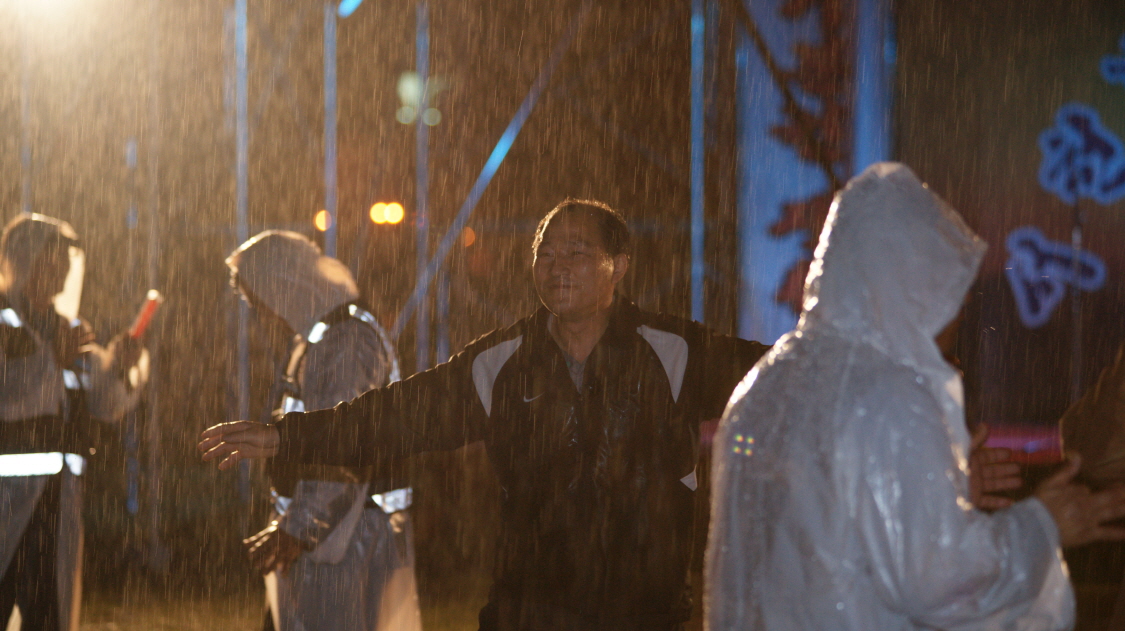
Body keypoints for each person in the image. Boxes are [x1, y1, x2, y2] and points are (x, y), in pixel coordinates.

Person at [200, 199, 772, 631]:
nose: (557, 266)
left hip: (644, 612)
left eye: (576, 252)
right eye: (546, 253)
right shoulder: (503, 362)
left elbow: (783, 376)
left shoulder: (673, 352)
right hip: (528, 609)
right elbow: (397, 414)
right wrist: (287, 436)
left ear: (618, 266)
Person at [706, 163, 1125, 630]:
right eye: (949, 289)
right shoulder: (889, 396)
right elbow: (941, 583)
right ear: (912, 286)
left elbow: (816, 533)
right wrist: (1043, 525)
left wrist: (942, 491)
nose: (959, 311)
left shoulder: (768, 382)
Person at [225, 231, 421, 631]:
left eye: (262, 299)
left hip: (348, 541)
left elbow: (341, 443)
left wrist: (300, 529)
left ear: (284, 285)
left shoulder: (346, 341)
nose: (265, 313)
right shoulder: (322, 338)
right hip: (334, 535)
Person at [0, 213, 147, 631]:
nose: (63, 271)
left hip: (56, 502)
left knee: (48, 611)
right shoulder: (4, 321)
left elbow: (103, 403)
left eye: (66, 261)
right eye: (54, 259)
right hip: (6, 498)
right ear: (27, 259)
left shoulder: (67, 327)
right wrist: (50, 361)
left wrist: (121, 367)